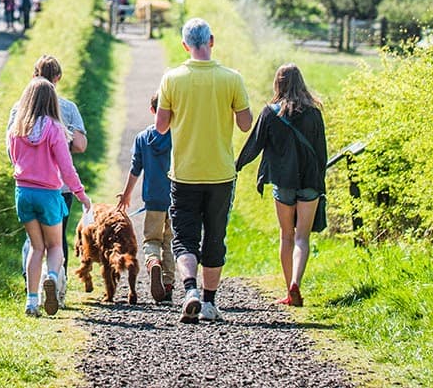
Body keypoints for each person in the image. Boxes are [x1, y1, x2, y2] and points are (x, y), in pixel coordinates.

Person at [157, 17, 252, 324]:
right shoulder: (232, 79)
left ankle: (189, 291)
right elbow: (245, 123)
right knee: (215, 237)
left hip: (184, 172)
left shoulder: (171, 79)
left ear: (185, 45)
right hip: (221, 173)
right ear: (212, 40)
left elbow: (160, 126)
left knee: (184, 238)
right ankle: (210, 304)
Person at [237, 64, 327, 307]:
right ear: (301, 83)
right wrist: (321, 183)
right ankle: (297, 281)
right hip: (310, 183)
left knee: (286, 236)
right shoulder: (314, 114)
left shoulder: (270, 112)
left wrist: (235, 167)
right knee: (302, 238)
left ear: (278, 84)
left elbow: (253, 146)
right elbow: (322, 154)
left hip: (283, 183)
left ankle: (289, 291)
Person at [8, 77, 93, 317]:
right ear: (51, 101)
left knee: (36, 247)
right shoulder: (55, 128)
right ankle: (53, 278)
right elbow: (66, 168)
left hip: (23, 192)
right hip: (48, 193)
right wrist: (81, 194)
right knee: (55, 246)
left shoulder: (17, 128)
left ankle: (31, 302)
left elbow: (13, 158)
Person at [9, 56, 88, 270]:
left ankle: (31, 289)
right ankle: (57, 284)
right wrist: (59, 144)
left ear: (34, 75)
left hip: (25, 186)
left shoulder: (19, 110)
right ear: (58, 78)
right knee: (57, 241)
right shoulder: (67, 109)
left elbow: (11, 151)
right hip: (59, 187)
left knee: (33, 242)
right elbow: (80, 145)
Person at [116, 94, 176, 303]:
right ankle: (168, 285)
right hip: (176, 199)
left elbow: (135, 169)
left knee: (152, 240)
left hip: (153, 200)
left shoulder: (142, 138)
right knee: (170, 241)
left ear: (152, 111)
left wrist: (126, 195)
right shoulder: (178, 135)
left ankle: (153, 263)